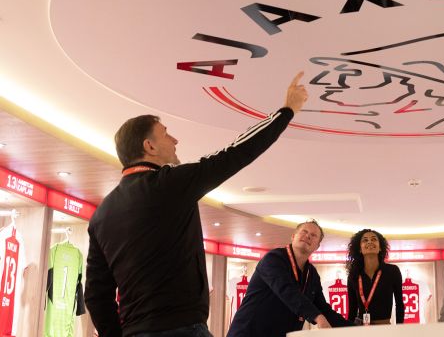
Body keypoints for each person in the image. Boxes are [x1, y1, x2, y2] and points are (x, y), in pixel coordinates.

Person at [85, 72, 309, 337]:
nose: (175, 140)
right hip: (182, 329)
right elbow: (236, 152)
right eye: (166, 134)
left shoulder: (101, 215)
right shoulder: (170, 184)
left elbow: (96, 294)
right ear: (149, 146)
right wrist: (287, 110)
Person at [226, 220, 352, 336]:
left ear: (317, 246)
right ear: (293, 236)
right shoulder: (273, 259)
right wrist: (317, 317)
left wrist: (355, 328)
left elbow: (323, 309)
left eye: (313, 235)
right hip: (248, 332)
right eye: (304, 232)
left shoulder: (311, 274)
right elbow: (287, 291)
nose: (308, 236)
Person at [345, 229, 404, 325]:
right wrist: (348, 330)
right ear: (360, 249)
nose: (369, 242)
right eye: (365, 240)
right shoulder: (354, 274)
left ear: (380, 247)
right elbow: (352, 309)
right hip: (360, 328)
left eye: (374, 239)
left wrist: (399, 328)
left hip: (384, 328)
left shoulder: (392, 271)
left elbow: (400, 305)